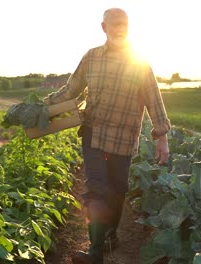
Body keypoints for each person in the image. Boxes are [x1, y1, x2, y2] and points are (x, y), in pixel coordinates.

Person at [44, 7, 171, 264]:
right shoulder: (91, 57)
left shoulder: (140, 62)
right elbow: (71, 90)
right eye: (114, 24)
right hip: (93, 133)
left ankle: (110, 234)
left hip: (124, 138)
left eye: (124, 24)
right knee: (96, 188)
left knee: (118, 190)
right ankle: (95, 252)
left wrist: (162, 138)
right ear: (104, 27)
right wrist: (41, 108)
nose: (119, 28)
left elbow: (153, 100)